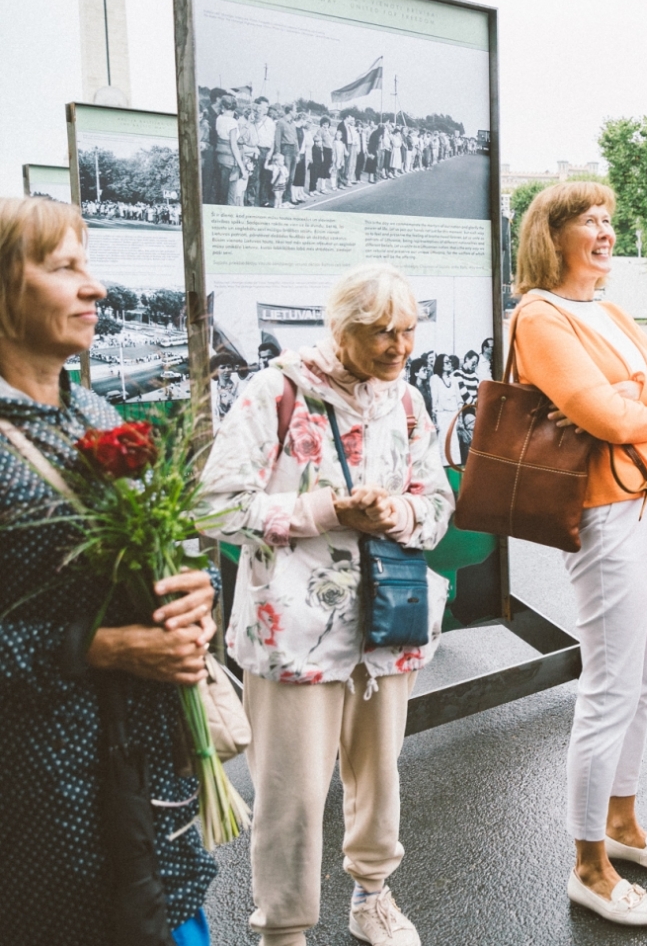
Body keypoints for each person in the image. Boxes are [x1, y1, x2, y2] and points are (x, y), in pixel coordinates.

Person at [200, 263, 456, 946]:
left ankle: (373, 895)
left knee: (380, 775)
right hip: (294, 633)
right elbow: (213, 503)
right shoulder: (277, 390)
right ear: (340, 328)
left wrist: (395, 510)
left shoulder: (405, 400)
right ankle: (282, 929)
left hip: (387, 625)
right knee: (291, 796)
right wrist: (324, 510)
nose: (399, 346)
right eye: (381, 332)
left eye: (407, 330)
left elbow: (437, 506)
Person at [0, 197, 218, 944]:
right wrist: (102, 648)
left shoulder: (95, 413)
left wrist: (195, 597)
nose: (96, 289)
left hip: (151, 788)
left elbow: (168, 554)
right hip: (41, 805)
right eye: (66, 268)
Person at [512, 182, 647, 928]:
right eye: (589, 220)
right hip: (606, 508)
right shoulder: (538, 314)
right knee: (610, 684)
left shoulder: (612, 311)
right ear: (551, 235)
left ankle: (622, 823)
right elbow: (602, 414)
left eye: (609, 219)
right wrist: (640, 399)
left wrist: (637, 396)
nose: (605, 230)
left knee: (644, 676)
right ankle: (589, 865)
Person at [214, 95, 248, 207]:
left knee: (221, 191)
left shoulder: (219, 119)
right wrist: (243, 168)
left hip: (220, 157)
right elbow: (234, 145)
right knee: (230, 193)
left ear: (223, 107)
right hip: (230, 160)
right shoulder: (232, 122)